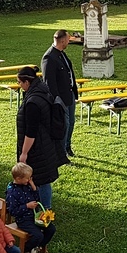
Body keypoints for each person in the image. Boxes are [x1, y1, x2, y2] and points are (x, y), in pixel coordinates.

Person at [15, 66, 62, 209]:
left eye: (19, 82)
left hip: (37, 147)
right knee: (43, 179)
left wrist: (24, 153)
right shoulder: (42, 91)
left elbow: (31, 131)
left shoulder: (32, 102)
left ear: (27, 82)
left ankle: (44, 210)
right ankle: (43, 208)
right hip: (45, 142)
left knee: (40, 179)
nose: (19, 85)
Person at [6, 162, 56, 253]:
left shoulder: (27, 185)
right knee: (38, 235)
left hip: (34, 216)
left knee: (51, 229)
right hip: (23, 219)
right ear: (18, 179)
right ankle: (23, 250)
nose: (29, 180)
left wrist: (33, 187)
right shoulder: (12, 193)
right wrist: (26, 206)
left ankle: (37, 247)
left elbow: (37, 199)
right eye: (27, 178)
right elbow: (12, 211)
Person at [42, 29, 78, 158]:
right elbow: (49, 82)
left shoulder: (62, 54)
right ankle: (61, 153)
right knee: (64, 125)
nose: (69, 42)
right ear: (62, 41)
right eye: (68, 39)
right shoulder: (49, 57)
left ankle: (67, 147)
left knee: (71, 122)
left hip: (69, 94)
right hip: (60, 99)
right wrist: (57, 100)